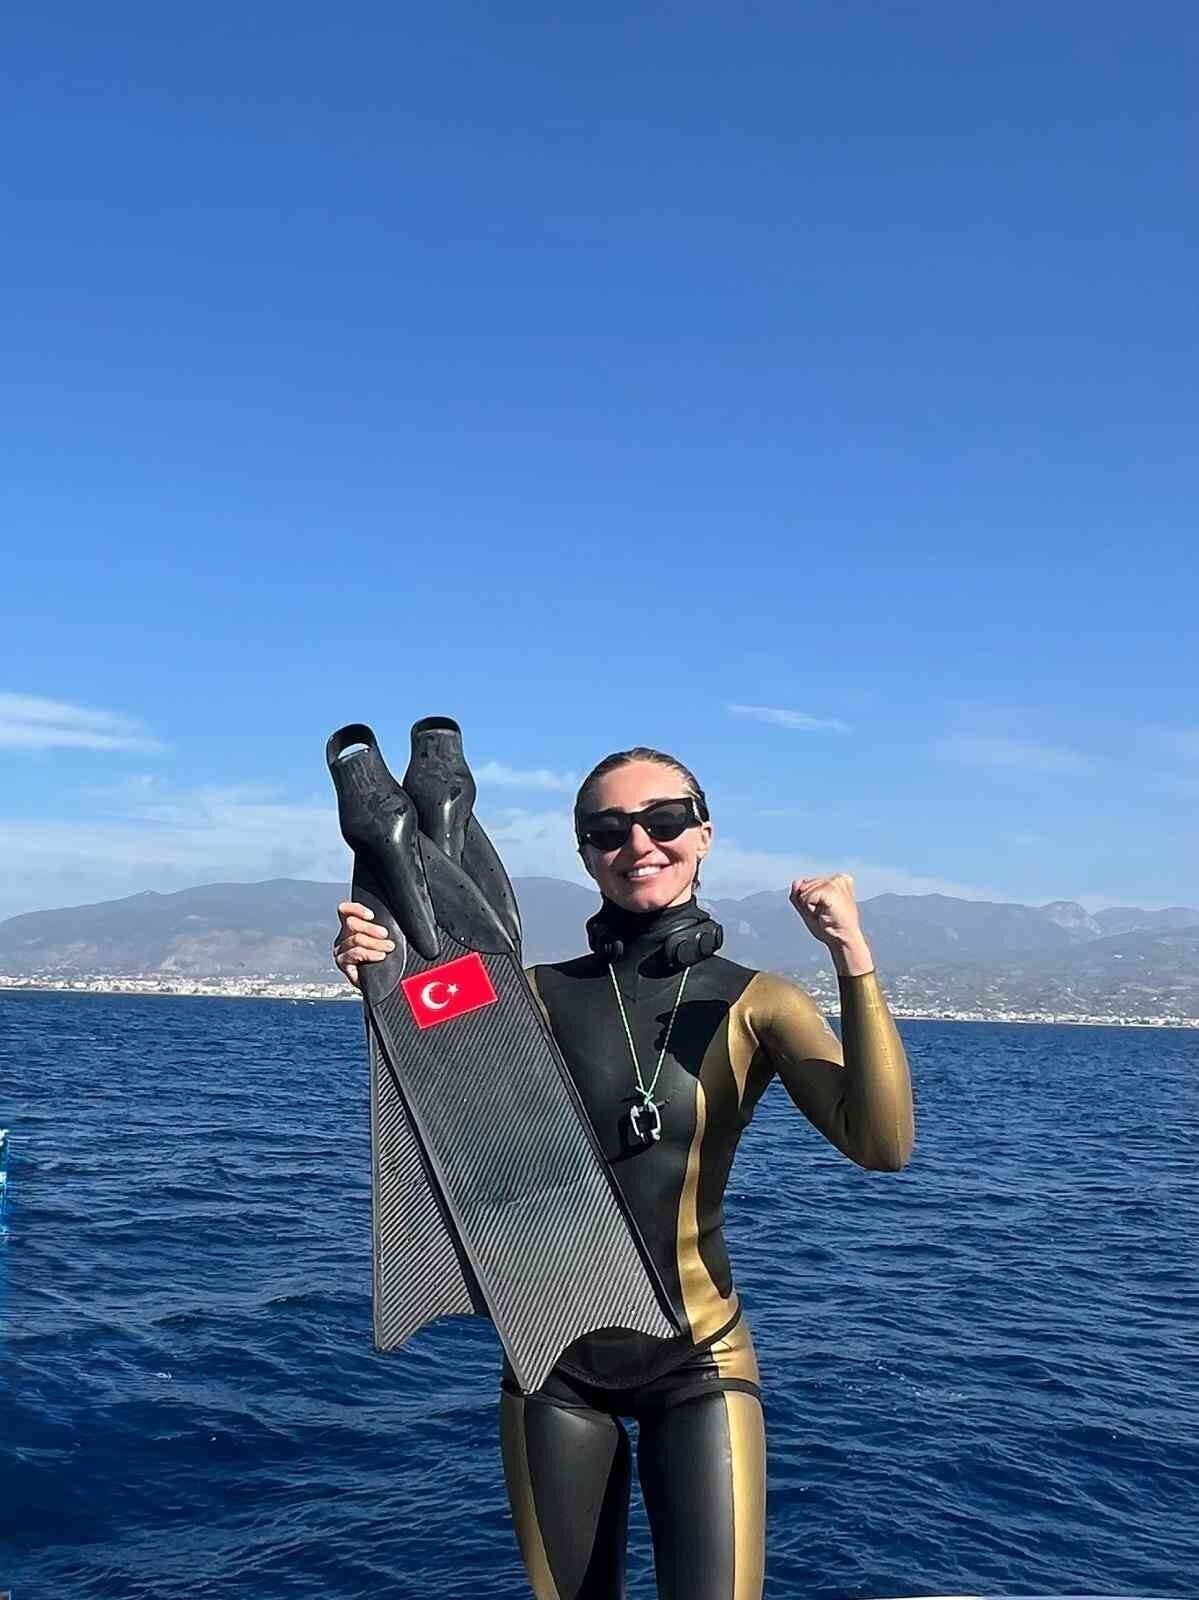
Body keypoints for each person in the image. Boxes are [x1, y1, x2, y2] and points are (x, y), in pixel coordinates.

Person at [335, 745, 915, 1600]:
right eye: (606, 831)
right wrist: (376, 968)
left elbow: (881, 1143)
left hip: (699, 1362)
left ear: (704, 834)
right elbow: (423, 1047)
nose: (638, 844)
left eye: (664, 821)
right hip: (551, 1365)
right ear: (583, 853)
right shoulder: (528, 994)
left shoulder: (756, 1002)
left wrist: (851, 956)